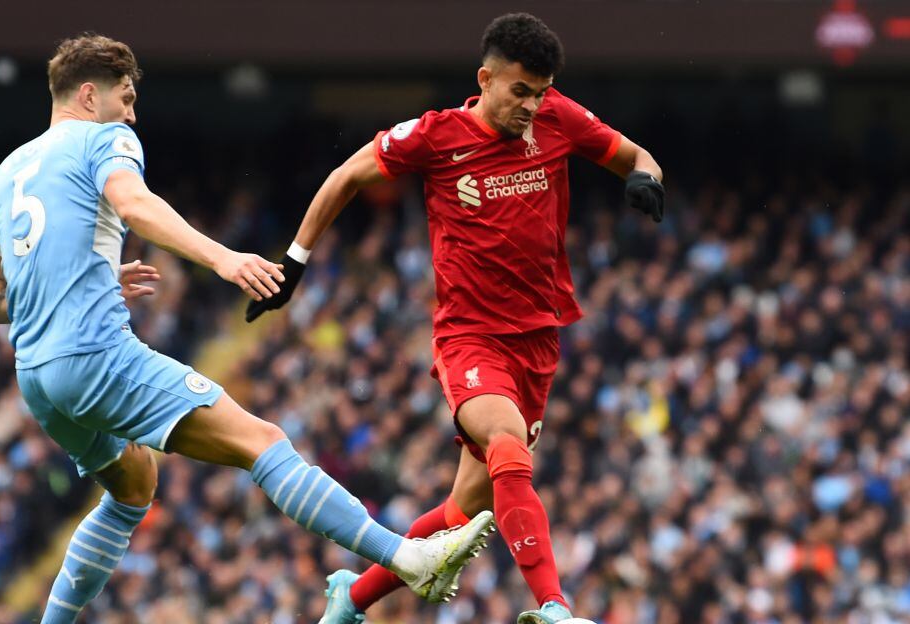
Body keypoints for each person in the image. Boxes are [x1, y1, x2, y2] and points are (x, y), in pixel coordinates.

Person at [0, 33, 494, 624]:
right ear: (90, 95)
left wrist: (90, 277)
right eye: (127, 97)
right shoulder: (105, 137)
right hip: (95, 356)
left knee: (134, 484)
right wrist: (224, 258)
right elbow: (134, 204)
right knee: (261, 443)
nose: (133, 113)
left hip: (37, 376)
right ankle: (407, 559)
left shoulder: (2, 176)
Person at [245, 12, 665, 624]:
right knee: (506, 442)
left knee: (463, 511)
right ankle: (553, 606)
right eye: (519, 91)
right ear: (486, 79)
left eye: (540, 92)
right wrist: (296, 263)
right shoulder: (436, 136)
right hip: (470, 337)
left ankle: (351, 597)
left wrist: (647, 178)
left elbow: (638, 156)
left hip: (539, 341)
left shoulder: (558, 117)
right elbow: (347, 176)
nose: (530, 105)